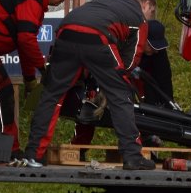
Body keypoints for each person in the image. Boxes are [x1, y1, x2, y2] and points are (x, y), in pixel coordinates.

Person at [20, 0, 157, 170]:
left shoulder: (106, 3)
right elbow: (131, 59)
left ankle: (33, 155)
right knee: (121, 96)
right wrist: (112, 83)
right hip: (98, 35)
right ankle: (132, 156)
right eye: (152, 12)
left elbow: (79, 41)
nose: (150, 16)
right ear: (146, 4)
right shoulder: (138, 17)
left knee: (51, 94)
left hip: (66, 30)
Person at [0, 0, 66, 159]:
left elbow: (24, 46)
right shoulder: (33, 0)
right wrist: (42, 67)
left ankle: (6, 150)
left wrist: (30, 79)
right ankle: (4, 152)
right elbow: (25, 40)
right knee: (3, 94)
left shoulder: (36, 0)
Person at [68, 18, 174, 146]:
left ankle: (146, 142)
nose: (156, 50)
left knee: (149, 106)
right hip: (110, 73)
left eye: (158, 47)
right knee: (90, 107)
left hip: (140, 80)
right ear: (143, 38)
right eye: (152, 46)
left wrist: (169, 110)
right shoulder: (124, 42)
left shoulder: (158, 54)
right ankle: (80, 147)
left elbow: (164, 81)